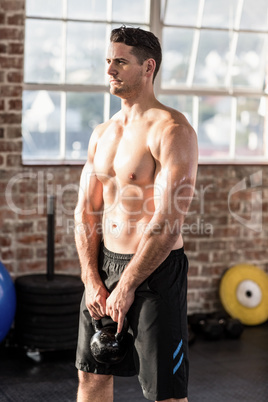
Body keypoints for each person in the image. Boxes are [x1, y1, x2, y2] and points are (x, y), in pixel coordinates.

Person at [74, 26, 198, 402]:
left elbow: (167, 221)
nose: (110, 70)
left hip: (154, 273)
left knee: (166, 394)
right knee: (92, 378)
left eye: (121, 62)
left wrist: (127, 285)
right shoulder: (102, 133)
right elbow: (86, 210)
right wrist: (91, 277)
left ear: (148, 67)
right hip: (103, 268)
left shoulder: (172, 130)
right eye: (108, 61)